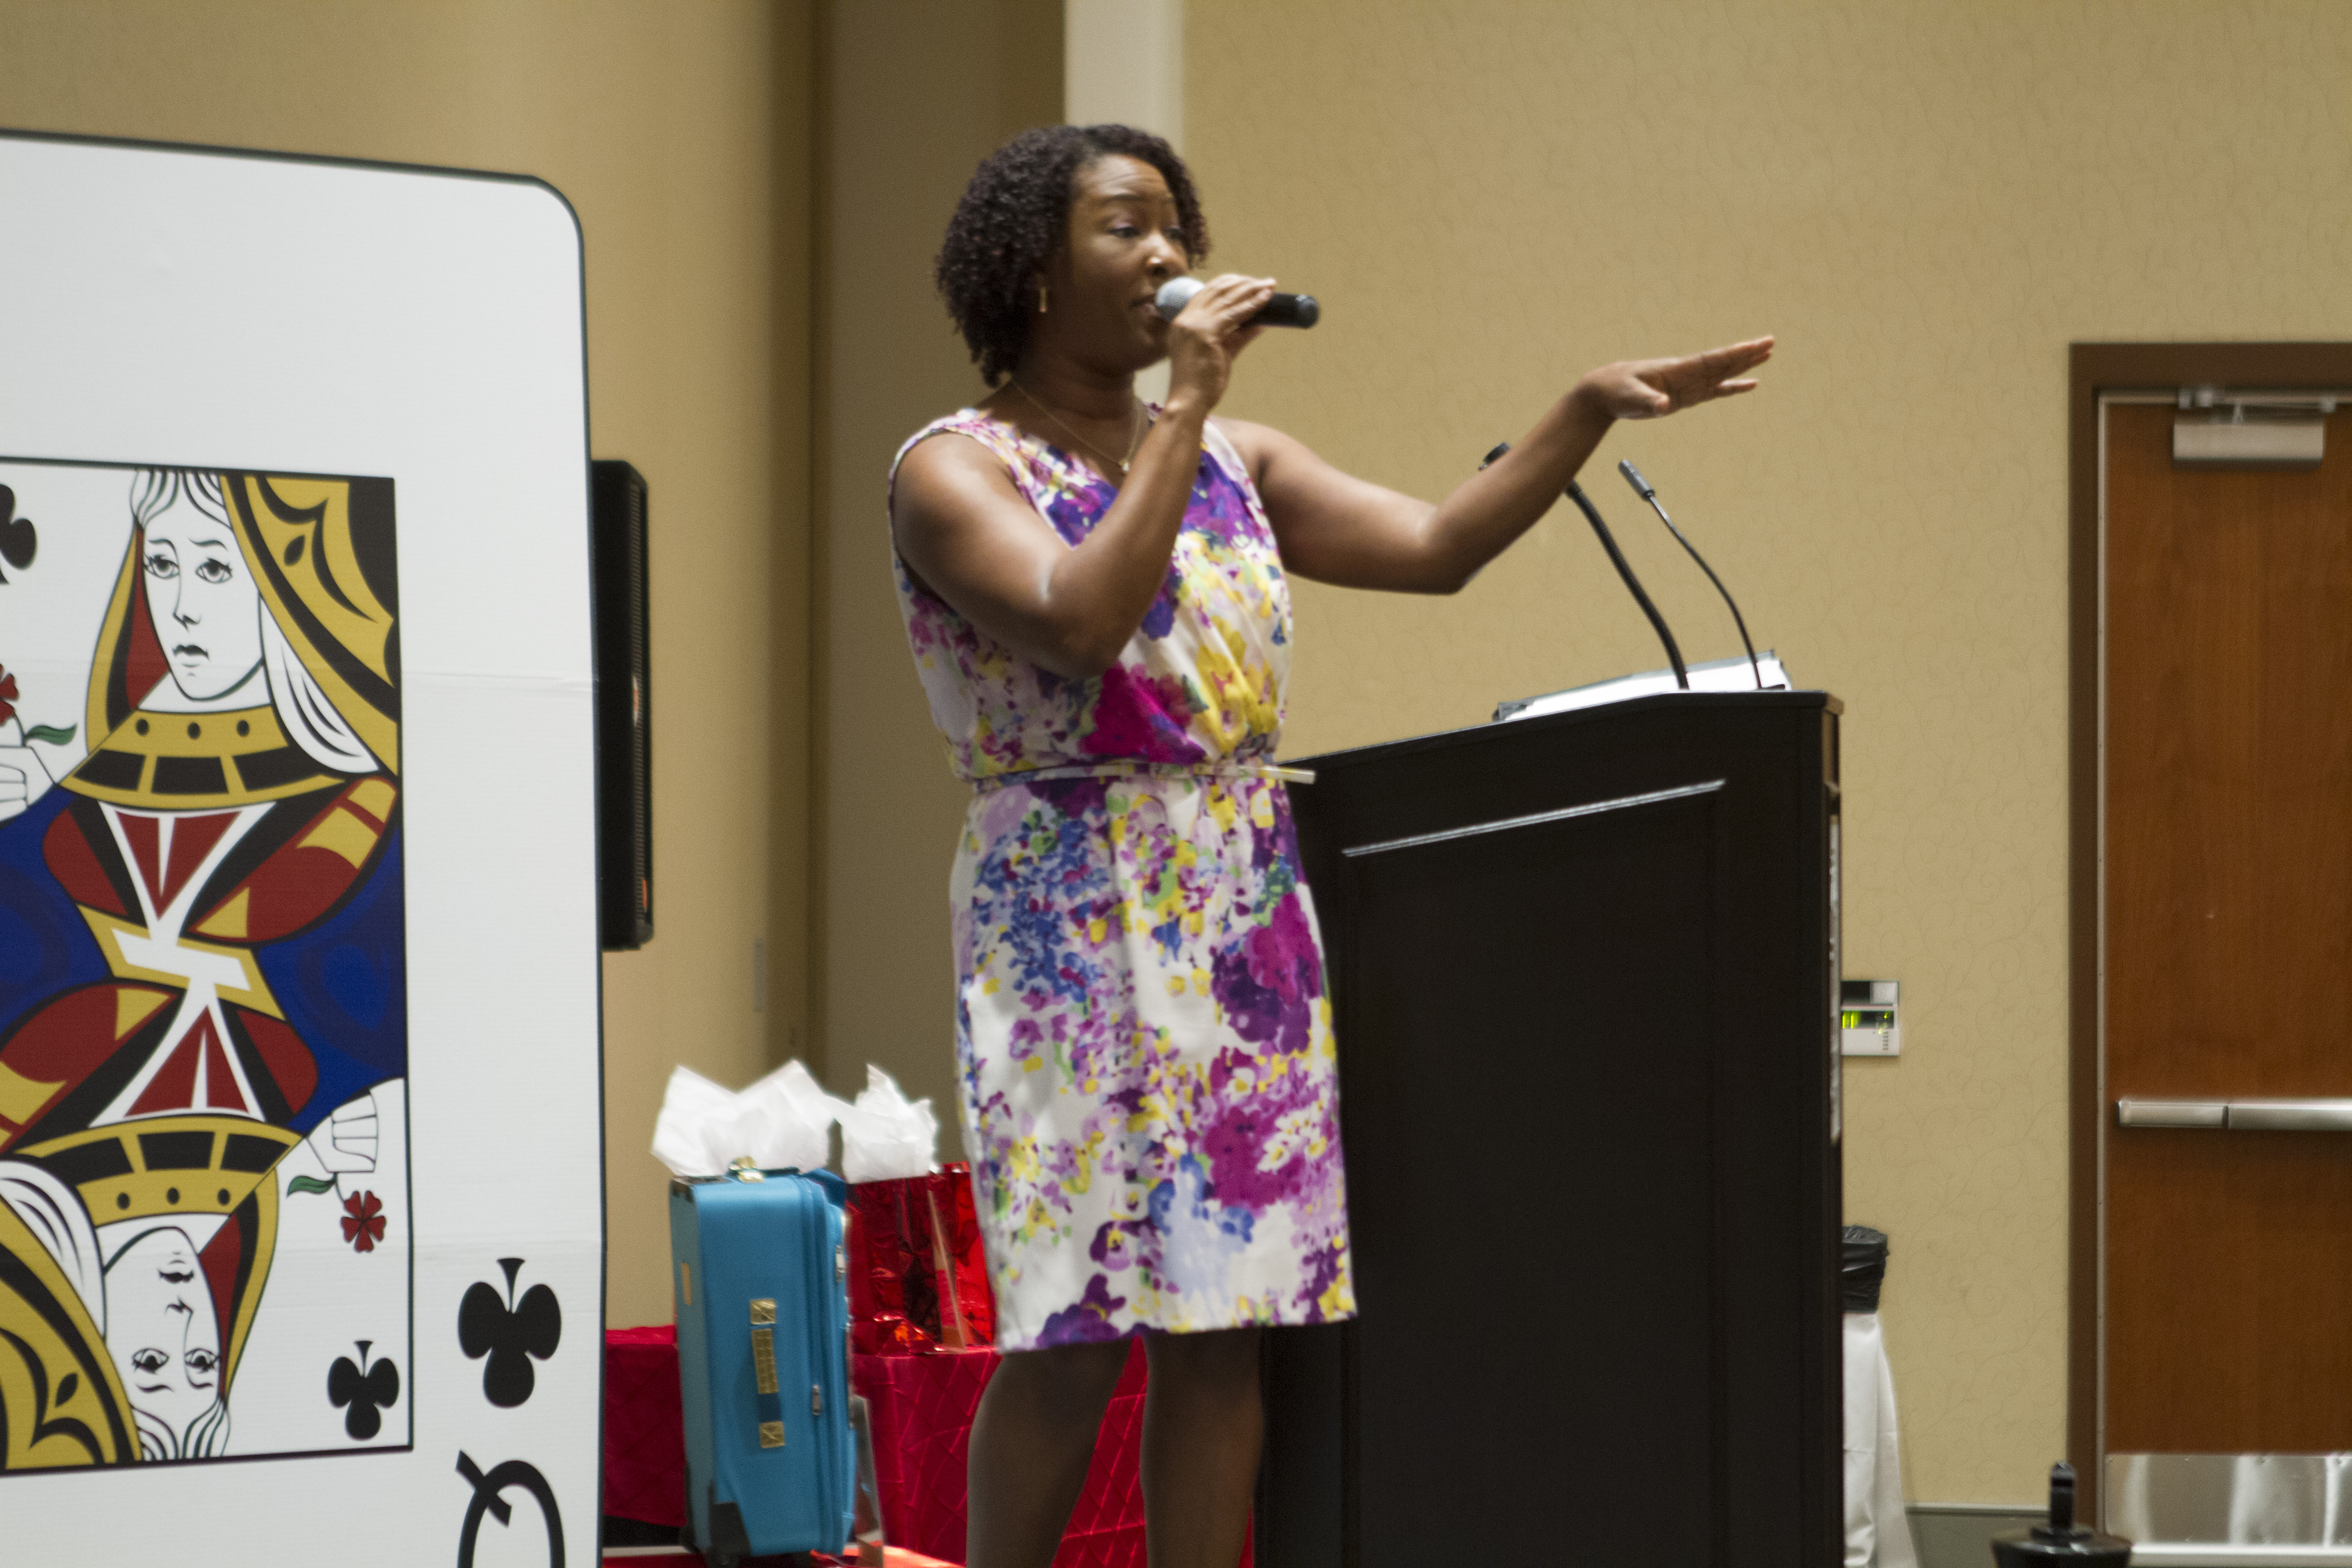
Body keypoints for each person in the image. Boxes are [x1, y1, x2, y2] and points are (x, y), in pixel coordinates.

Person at [889, 122, 1771, 1568]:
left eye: (1178, 227)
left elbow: (1434, 544)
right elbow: (1075, 620)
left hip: (1237, 905)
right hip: (1064, 913)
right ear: (1032, 274)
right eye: (1125, 229)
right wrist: (1181, 410)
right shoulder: (953, 470)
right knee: (1075, 1325)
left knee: (1227, 1328)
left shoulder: (1239, 456)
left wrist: (1578, 413)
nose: (1169, 255)